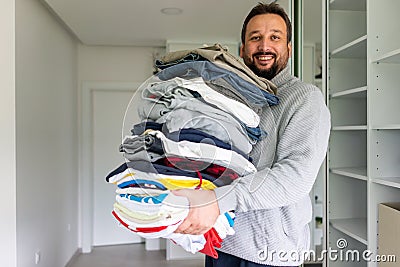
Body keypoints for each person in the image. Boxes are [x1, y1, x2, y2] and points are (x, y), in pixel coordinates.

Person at [172, 3, 331, 267]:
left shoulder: (305, 99)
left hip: (271, 253)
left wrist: (218, 199)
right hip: (220, 241)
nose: (264, 46)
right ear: (243, 49)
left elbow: (295, 177)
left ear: (288, 49)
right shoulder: (229, 98)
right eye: (255, 37)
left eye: (275, 37)